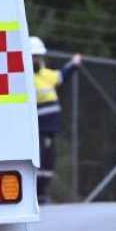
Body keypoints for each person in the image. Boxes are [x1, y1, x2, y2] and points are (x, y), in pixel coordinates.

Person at [30, 37, 82, 201]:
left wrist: (73, 64)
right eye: (33, 56)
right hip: (39, 129)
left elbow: (62, 76)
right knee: (40, 161)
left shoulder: (46, 75)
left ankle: (42, 193)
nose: (36, 60)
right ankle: (38, 194)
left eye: (38, 56)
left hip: (50, 129)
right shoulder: (24, 79)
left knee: (49, 161)